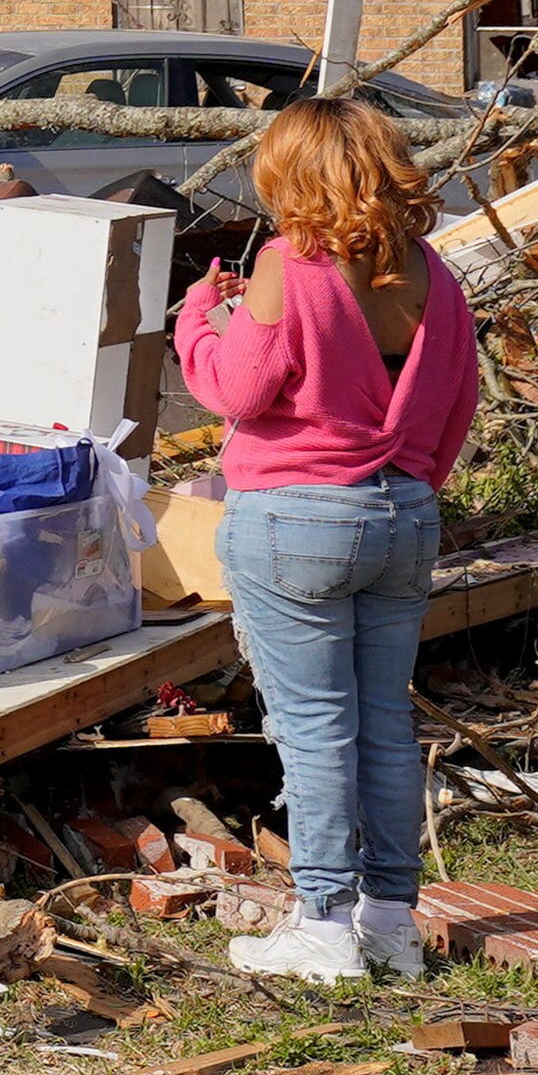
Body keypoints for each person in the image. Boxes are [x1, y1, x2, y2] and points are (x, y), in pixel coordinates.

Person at [172, 96, 475, 985]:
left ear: (292, 174)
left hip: (297, 518)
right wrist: (408, 482)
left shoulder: (286, 263)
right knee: (383, 722)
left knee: (312, 728)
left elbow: (236, 390)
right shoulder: (434, 275)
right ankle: (392, 922)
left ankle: (324, 924)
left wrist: (199, 316)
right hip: (403, 515)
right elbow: (456, 406)